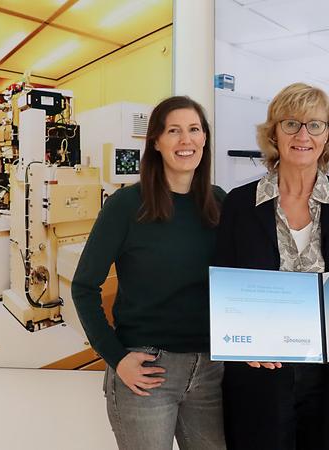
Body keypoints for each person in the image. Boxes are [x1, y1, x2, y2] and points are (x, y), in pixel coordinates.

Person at [215, 82, 329, 450]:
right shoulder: (239, 204)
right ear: (274, 133)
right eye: (291, 124)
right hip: (262, 377)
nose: (303, 135)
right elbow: (224, 288)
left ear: (328, 136)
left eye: (315, 125)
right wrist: (244, 344)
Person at [72, 96, 226, 449]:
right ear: (155, 141)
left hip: (210, 371)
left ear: (204, 139)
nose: (186, 140)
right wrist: (117, 358)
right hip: (146, 372)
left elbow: (241, 282)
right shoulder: (126, 206)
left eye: (194, 130)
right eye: (174, 131)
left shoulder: (221, 203)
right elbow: (83, 287)